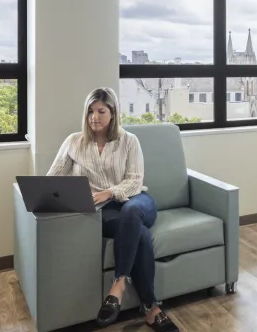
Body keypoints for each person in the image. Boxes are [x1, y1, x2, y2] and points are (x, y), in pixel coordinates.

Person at [47, 87, 179, 332]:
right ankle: (152, 308)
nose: (94, 117)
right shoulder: (73, 142)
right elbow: (53, 180)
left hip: (136, 200)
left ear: (113, 113)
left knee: (132, 213)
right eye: (90, 111)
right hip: (103, 211)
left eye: (101, 111)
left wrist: (109, 192)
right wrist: (71, 195)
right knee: (139, 234)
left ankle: (118, 285)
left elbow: (135, 180)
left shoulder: (129, 140)